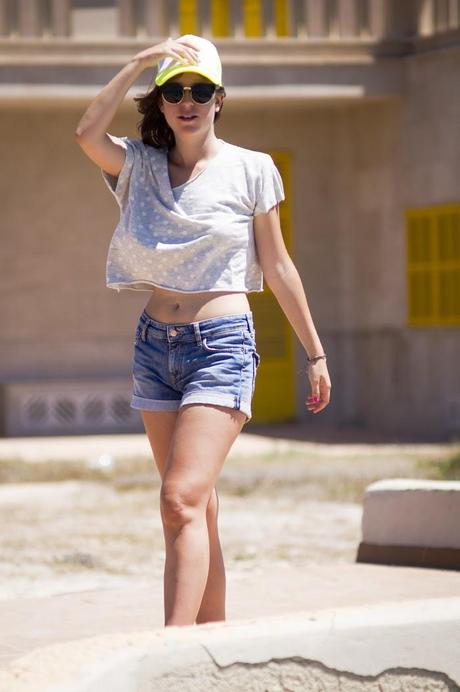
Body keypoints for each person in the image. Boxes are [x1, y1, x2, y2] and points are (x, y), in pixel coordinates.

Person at [75, 34, 331, 628]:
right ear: (161, 101)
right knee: (198, 506)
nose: (186, 100)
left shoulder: (252, 169)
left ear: (219, 99)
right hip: (152, 347)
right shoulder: (138, 165)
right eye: (174, 91)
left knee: (179, 499)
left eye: (200, 90)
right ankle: (212, 643)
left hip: (221, 347)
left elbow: (278, 264)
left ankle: (170, 654)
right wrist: (138, 62)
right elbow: (86, 136)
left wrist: (314, 353)